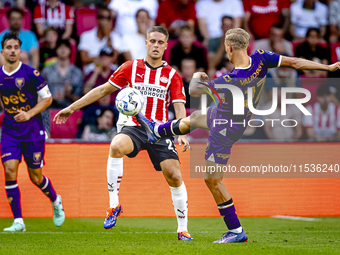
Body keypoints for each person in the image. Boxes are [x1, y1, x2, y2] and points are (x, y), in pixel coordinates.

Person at [136, 28, 340, 243]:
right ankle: (156, 130)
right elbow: (297, 63)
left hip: (224, 129)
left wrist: (196, 75)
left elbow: (194, 91)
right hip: (230, 117)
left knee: (213, 181)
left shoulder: (231, 79)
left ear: (229, 48)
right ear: (247, 46)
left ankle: (235, 231)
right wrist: (327, 66)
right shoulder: (261, 58)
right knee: (195, 118)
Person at [53, 26, 194, 241]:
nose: (156, 45)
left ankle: (182, 229)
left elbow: (179, 105)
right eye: (152, 41)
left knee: (174, 176)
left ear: (166, 45)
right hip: (133, 126)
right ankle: (113, 205)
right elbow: (102, 90)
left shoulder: (172, 75)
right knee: (116, 145)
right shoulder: (130, 67)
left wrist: (181, 132)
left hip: (159, 130)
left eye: (160, 42)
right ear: (146, 43)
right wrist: (72, 107)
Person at [0, 32, 65, 232]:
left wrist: (29, 114)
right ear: (2, 52)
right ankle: (18, 221)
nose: (12, 51)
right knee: (10, 171)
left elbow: (47, 99)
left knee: (35, 177)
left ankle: (55, 200)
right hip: (9, 131)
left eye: (16, 48)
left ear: (20, 51)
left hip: (32, 132)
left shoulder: (31, 73)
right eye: (9, 47)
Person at [78, 7, 131, 75]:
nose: (105, 20)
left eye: (108, 18)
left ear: (111, 21)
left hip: (109, 75)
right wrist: (104, 60)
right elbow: (84, 58)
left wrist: (108, 36)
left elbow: (114, 59)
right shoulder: (86, 35)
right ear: (97, 19)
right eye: (102, 17)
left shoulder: (115, 37)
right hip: (91, 74)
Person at [41, 39, 84, 107]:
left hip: (70, 110)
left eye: (66, 47)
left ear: (70, 50)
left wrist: (69, 95)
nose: (63, 49)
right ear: (56, 50)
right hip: (50, 109)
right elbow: (39, 94)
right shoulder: (46, 71)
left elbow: (81, 99)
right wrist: (51, 97)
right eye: (60, 47)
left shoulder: (77, 72)